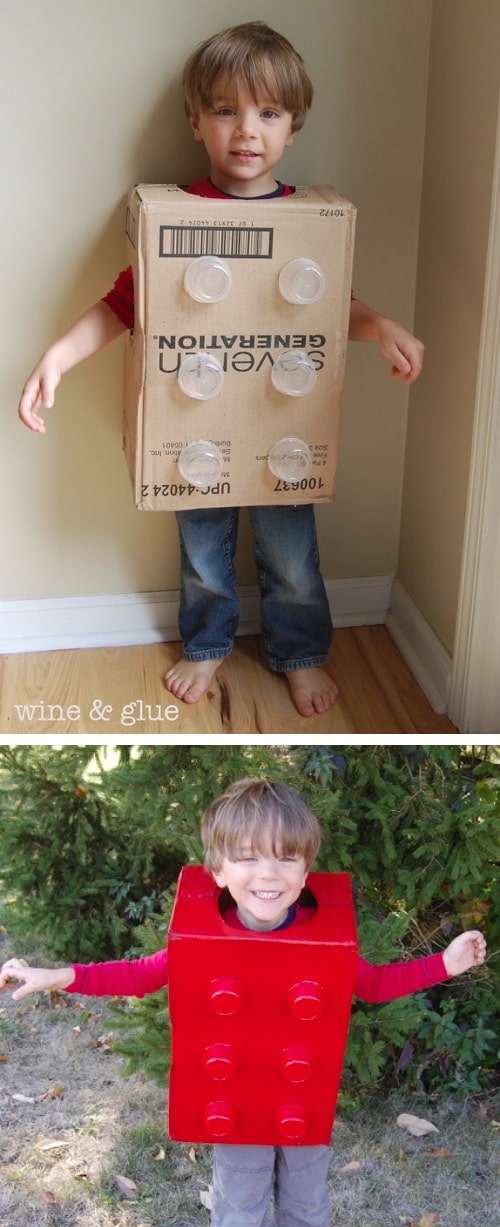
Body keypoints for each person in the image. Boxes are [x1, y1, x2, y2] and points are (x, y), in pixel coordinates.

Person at [18, 22, 424, 719]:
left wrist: (379, 325)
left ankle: (299, 652)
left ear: (293, 128)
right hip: (193, 421)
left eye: (268, 113)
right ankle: (207, 644)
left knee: (290, 549)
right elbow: (125, 304)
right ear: (196, 121)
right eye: (226, 110)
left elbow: (324, 305)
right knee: (203, 548)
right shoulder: (174, 217)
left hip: (282, 422)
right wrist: (56, 357)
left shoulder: (307, 219)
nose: (246, 130)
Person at [0, 778, 487, 1227]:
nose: (268, 874)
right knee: (241, 1195)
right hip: (236, 1100)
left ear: (306, 872)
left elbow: (372, 986)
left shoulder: (326, 942)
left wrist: (444, 965)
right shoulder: (198, 940)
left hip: (298, 1096)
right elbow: (136, 975)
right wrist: (57, 976)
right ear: (218, 872)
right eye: (247, 857)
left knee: (307, 1191)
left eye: (286, 857)